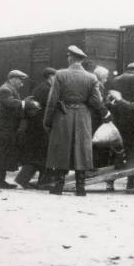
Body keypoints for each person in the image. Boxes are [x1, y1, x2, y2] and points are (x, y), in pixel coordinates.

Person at [43, 46, 111, 196]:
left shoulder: (60, 74)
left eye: (68, 56)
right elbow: (95, 101)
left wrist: (47, 120)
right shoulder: (91, 77)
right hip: (83, 116)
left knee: (62, 148)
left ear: (71, 58)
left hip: (63, 115)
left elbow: (52, 100)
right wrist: (104, 113)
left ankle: (59, 185)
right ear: (81, 60)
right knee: (82, 149)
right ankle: (81, 187)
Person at [15, 67, 56, 189]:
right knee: (39, 155)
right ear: (50, 77)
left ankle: (34, 180)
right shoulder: (46, 89)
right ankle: (40, 181)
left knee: (39, 155)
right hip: (40, 127)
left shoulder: (42, 87)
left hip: (36, 127)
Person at [108, 62, 134, 190]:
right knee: (131, 150)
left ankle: (110, 183)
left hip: (117, 119)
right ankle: (131, 181)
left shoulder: (115, 79)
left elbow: (110, 99)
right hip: (130, 120)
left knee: (116, 149)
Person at [91, 65, 124, 192]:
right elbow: (97, 103)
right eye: (106, 76)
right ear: (101, 76)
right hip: (98, 120)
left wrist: (108, 103)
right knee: (103, 144)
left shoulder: (98, 84)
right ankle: (97, 170)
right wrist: (107, 108)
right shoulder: (97, 85)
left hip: (99, 119)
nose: (107, 78)